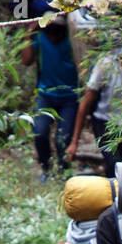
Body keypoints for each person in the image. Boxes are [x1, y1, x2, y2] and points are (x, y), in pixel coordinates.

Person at [21, 15, 80, 181]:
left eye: (57, 31)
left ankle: (63, 173)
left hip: (70, 96)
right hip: (45, 94)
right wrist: (29, 32)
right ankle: (47, 169)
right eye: (50, 31)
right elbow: (26, 60)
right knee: (39, 132)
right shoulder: (40, 38)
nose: (53, 36)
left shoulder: (72, 40)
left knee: (63, 139)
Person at [65, 48, 122, 177]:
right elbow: (86, 102)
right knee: (114, 164)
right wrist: (74, 142)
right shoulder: (106, 65)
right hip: (104, 122)